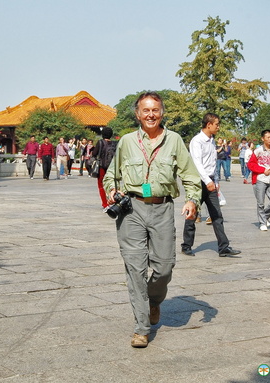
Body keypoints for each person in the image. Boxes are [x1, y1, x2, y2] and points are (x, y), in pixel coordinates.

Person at [103, 91, 201, 348]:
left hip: (162, 209)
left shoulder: (174, 140)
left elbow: (190, 175)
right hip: (131, 211)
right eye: (145, 110)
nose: (150, 115)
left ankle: (154, 301)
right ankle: (141, 327)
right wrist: (112, 190)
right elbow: (110, 176)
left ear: (161, 112)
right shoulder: (126, 141)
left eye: (155, 110)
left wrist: (192, 200)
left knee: (164, 266)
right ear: (137, 114)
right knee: (135, 270)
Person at [181, 113, 242, 258]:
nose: (218, 127)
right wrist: (207, 181)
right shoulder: (197, 141)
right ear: (209, 125)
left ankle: (223, 247)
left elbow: (212, 163)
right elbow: (197, 163)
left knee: (217, 215)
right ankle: (186, 245)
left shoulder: (212, 141)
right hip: (198, 182)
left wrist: (215, 181)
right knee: (192, 213)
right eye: (217, 124)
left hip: (210, 181)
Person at [247, 129, 270, 231]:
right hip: (260, 179)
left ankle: (264, 217)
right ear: (263, 139)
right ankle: (263, 222)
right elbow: (251, 164)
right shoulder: (258, 151)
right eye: (268, 137)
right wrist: (263, 170)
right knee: (260, 203)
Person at [92, 127, 117, 209]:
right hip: (112, 167)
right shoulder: (115, 143)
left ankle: (105, 203)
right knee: (112, 184)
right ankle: (113, 200)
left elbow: (94, 153)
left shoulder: (100, 142)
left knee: (101, 185)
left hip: (102, 166)